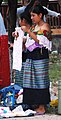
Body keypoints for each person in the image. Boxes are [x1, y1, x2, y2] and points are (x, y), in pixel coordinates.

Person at [21, 1, 52, 114]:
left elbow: (40, 41)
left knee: (40, 80)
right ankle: (33, 103)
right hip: (31, 56)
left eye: (34, 15)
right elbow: (29, 40)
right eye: (31, 16)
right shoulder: (34, 26)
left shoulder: (45, 27)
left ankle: (42, 105)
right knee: (30, 80)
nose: (32, 18)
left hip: (40, 56)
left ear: (40, 15)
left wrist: (28, 31)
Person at [12, 11, 32, 86]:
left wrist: (23, 40)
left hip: (28, 57)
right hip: (21, 56)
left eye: (20, 20)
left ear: (23, 20)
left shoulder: (30, 30)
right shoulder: (20, 30)